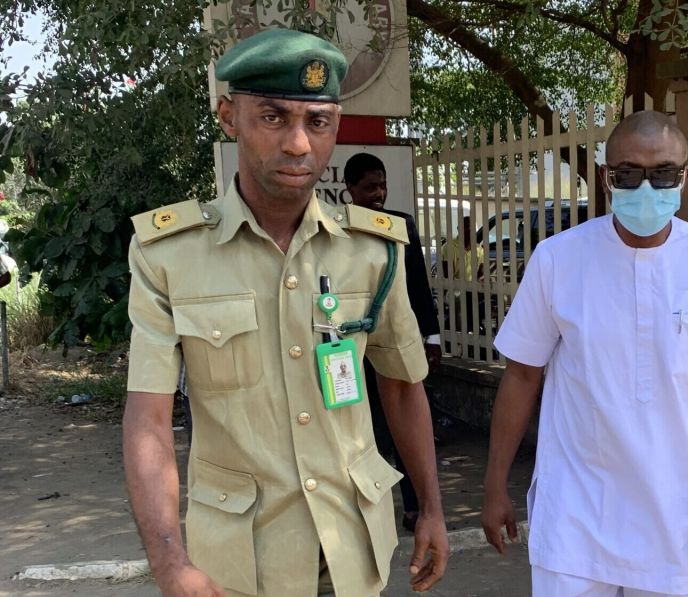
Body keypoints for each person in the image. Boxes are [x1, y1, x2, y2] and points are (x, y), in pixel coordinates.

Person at [122, 29, 448, 597]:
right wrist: (170, 564)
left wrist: (432, 510)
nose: (299, 144)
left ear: (335, 126)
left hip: (349, 549)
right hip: (238, 561)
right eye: (273, 118)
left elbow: (401, 387)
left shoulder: (373, 251)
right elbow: (148, 421)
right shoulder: (169, 256)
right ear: (229, 116)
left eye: (316, 122)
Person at [481, 111, 688, 597]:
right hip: (575, 518)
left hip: (677, 520)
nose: (646, 188)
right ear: (606, 177)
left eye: (662, 173)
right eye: (629, 174)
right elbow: (521, 377)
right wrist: (495, 485)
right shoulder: (558, 259)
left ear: (685, 177)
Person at [343, 151, 442, 533]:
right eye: (369, 187)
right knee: (367, 430)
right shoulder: (340, 231)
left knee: (407, 425)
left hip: (398, 344)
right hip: (356, 347)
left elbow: (418, 283)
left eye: (382, 185)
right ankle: (371, 508)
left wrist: (431, 337)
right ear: (350, 189)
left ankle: (416, 506)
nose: (378, 193)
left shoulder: (400, 226)